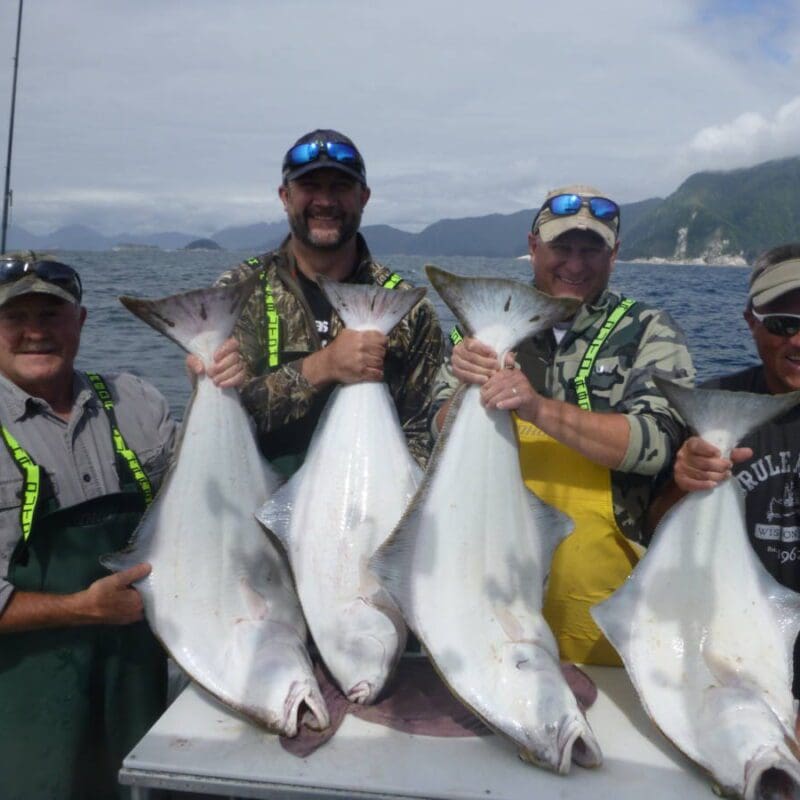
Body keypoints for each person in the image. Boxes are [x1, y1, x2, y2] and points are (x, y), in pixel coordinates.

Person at [430, 185, 694, 665]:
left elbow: (657, 442)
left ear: (613, 256)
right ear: (533, 246)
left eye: (591, 249)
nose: (575, 263)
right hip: (483, 577)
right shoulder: (480, 330)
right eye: (561, 247)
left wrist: (537, 410)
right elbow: (435, 431)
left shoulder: (648, 328)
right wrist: (467, 388)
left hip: (604, 610)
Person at [0, 253, 178, 800]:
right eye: (16, 318)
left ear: (79, 323)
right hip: (27, 713)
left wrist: (219, 385)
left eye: (52, 316)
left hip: (142, 692)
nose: (36, 333)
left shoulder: (138, 402)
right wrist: (83, 608)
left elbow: (209, 510)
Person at [206, 129, 445, 474]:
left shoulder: (408, 308)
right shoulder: (236, 292)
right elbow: (226, 418)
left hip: (368, 512)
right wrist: (326, 366)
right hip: (252, 513)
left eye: (340, 187)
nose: (325, 201)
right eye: (310, 187)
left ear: (364, 197)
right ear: (285, 196)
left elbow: (421, 433)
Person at [648, 243, 800, 693]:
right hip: (723, 654)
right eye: (781, 325)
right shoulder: (708, 412)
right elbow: (654, 529)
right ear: (751, 322)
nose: (798, 341)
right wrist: (683, 486)